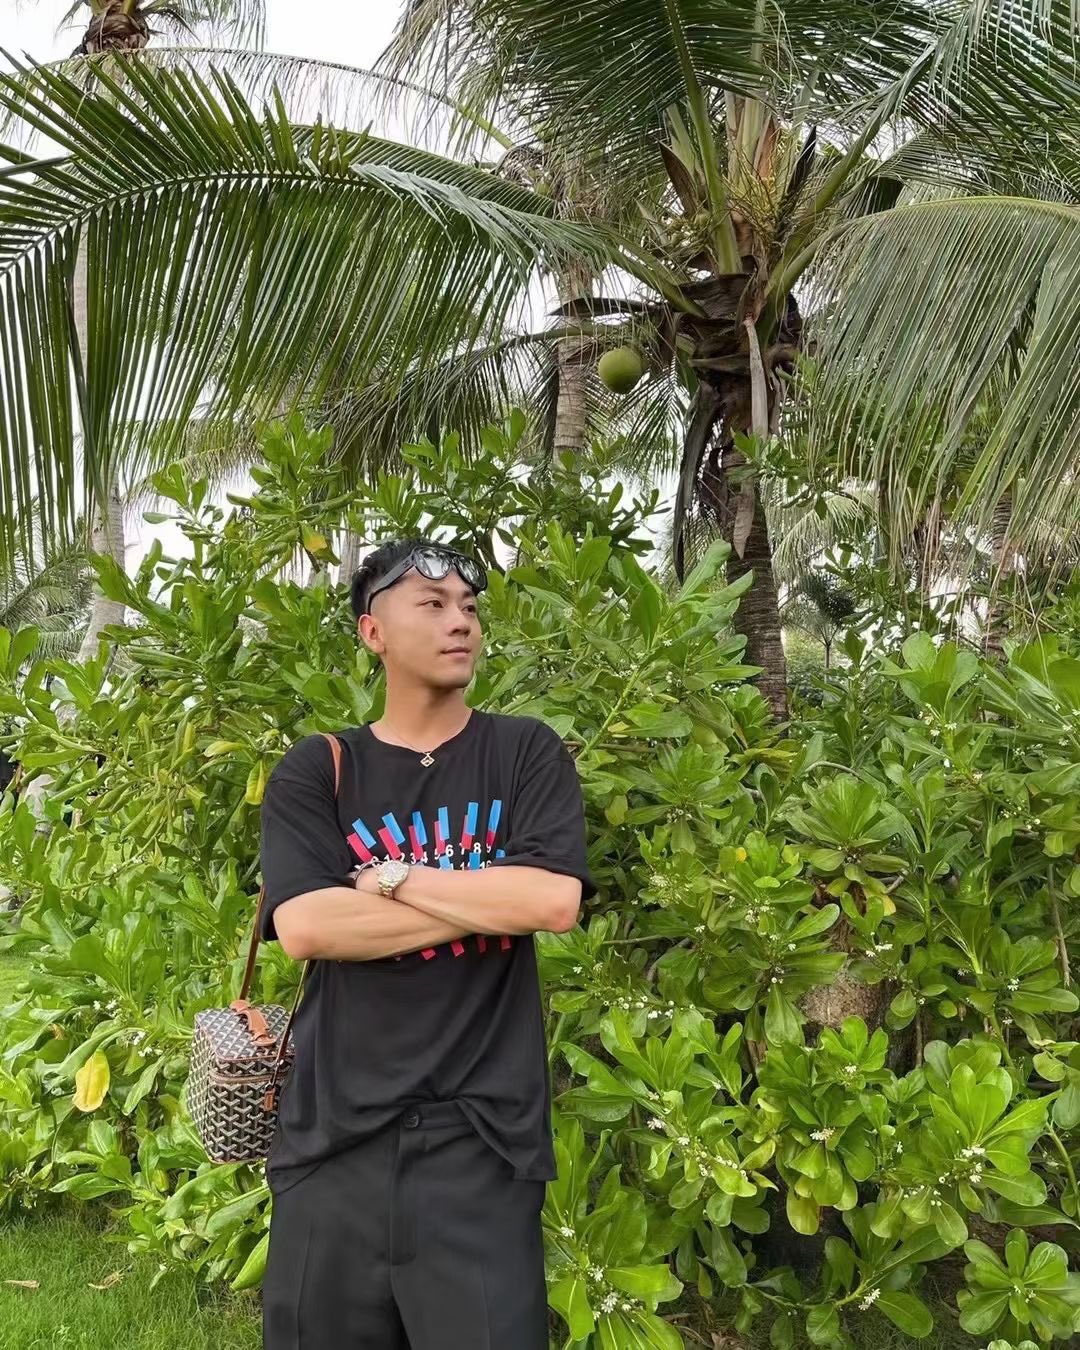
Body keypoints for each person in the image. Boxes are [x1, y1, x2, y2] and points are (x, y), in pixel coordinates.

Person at [258, 537, 595, 1349]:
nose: (461, 623)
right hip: (333, 1148)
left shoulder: (524, 753)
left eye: (469, 608)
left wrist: (388, 878)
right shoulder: (319, 769)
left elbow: (553, 902)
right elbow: (307, 927)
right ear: (373, 632)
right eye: (434, 605)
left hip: (480, 1148)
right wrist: (491, 901)